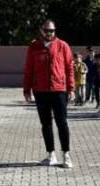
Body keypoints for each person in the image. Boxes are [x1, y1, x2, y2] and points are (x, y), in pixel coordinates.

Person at [22, 20, 75, 168]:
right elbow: (29, 69)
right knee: (46, 123)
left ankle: (66, 155)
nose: (50, 33)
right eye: (47, 31)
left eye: (52, 31)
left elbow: (69, 67)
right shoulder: (34, 47)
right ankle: (50, 154)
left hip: (59, 90)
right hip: (41, 91)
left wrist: (71, 88)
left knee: (62, 122)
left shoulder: (62, 46)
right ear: (41, 31)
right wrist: (26, 89)